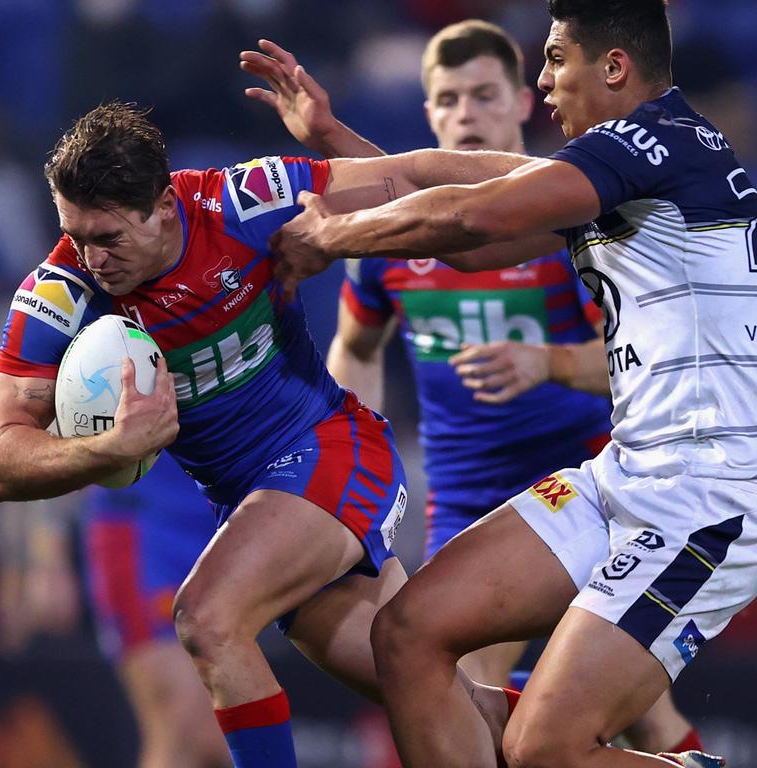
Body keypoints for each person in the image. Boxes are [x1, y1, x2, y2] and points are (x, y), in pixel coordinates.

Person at [269, 1, 756, 766]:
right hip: (621, 476)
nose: (545, 78)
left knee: (546, 748)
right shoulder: (635, 165)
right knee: (407, 634)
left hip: (708, 496)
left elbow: (471, 218)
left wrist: (335, 235)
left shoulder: (652, 143)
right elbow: (456, 222)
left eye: (557, 58)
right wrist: (335, 147)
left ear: (615, 68)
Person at [0, 100, 431, 768]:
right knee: (428, 689)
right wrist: (107, 448)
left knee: (208, 619)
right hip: (245, 503)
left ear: (162, 207)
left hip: (329, 447)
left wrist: (574, 179)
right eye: (74, 234)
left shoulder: (241, 204)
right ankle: (579, 730)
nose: (90, 258)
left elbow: (416, 180)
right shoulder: (61, 292)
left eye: (107, 237)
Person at [79, 452, 230, 767]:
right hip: (143, 530)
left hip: (226, 524)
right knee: (179, 724)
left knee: (218, 740)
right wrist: (43, 555)